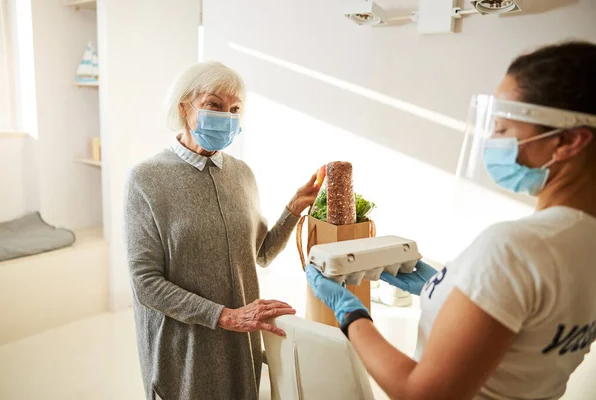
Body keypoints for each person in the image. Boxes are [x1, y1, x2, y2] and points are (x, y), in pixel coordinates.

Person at [307, 41, 596, 400]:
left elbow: (423, 394)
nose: (492, 141)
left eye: (503, 129)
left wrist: (350, 314)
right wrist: (441, 291)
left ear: (568, 141)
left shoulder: (514, 247)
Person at [124, 61, 321, 400]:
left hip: (239, 341)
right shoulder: (146, 179)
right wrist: (225, 316)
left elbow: (261, 253)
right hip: (184, 349)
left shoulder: (241, 174)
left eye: (234, 109)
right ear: (184, 107)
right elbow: (146, 283)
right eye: (214, 104)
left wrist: (294, 208)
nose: (226, 116)